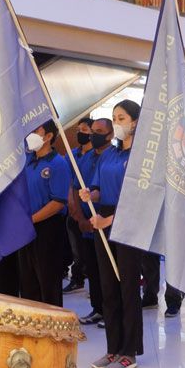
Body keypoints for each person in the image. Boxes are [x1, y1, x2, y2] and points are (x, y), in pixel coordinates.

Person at [80, 100, 144, 368]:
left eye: (122, 118)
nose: (117, 123)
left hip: (127, 221)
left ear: (135, 122)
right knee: (108, 286)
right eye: (114, 118)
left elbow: (139, 198)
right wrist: (90, 195)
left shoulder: (141, 156)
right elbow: (98, 187)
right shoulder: (109, 154)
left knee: (127, 287)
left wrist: (110, 220)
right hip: (103, 219)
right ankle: (113, 347)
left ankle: (129, 351)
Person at [18, 121, 72, 307]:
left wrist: (31, 219)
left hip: (48, 227)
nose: (30, 135)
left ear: (48, 136)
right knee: (28, 278)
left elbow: (58, 202)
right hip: (25, 227)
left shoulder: (58, 164)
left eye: (35, 131)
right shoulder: (28, 161)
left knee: (47, 279)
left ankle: (53, 326)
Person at [72, 117, 113, 325]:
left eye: (98, 131)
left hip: (107, 221)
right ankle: (97, 308)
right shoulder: (86, 158)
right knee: (93, 269)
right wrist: (80, 217)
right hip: (87, 222)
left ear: (110, 135)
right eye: (92, 131)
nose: (93, 135)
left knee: (109, 271)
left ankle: (111, 311)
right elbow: (76, 187)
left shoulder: (112, 157)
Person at [63, 118, 93, 295]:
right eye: (78, 129)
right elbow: (68, 179)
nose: (80, 133)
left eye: (84, 130)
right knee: (76, 247)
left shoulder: (96, 155)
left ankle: (92, 279)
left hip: (90, 207)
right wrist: (71, 202)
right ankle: (77, 278)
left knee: (90, 248)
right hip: (73, 206)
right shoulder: (71, 155)